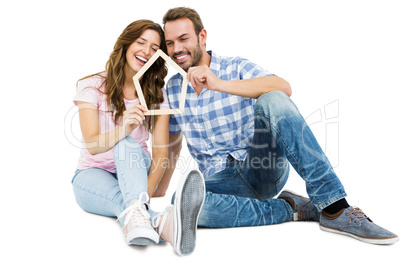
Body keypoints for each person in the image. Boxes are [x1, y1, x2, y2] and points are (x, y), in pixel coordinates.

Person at [158, 7, 398, 245]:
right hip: (223, 182)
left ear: (202, 37)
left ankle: (335, 207)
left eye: (183, 39)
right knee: (182, 201)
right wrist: (155, 193)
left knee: (272, 97)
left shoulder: (234, 67)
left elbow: (283, 87)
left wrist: (218, 84)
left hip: (262, 166)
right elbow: (171, 147)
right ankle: (291, 208)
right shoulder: (171, 90)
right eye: (169, 43)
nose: (177, 49)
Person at [71, 19, 205, 256]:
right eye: (140, 42)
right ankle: (165, 224)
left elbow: (161, 151)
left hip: (136, 168)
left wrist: (144, 198)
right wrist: (125, 128)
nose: (146, 51)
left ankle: (140, 214)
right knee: (121, 192)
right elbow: (92, 144)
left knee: (127, 147)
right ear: (125, 44)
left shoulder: (155, 94)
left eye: (155, 48)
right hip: (92, 174)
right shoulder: (92, 86)